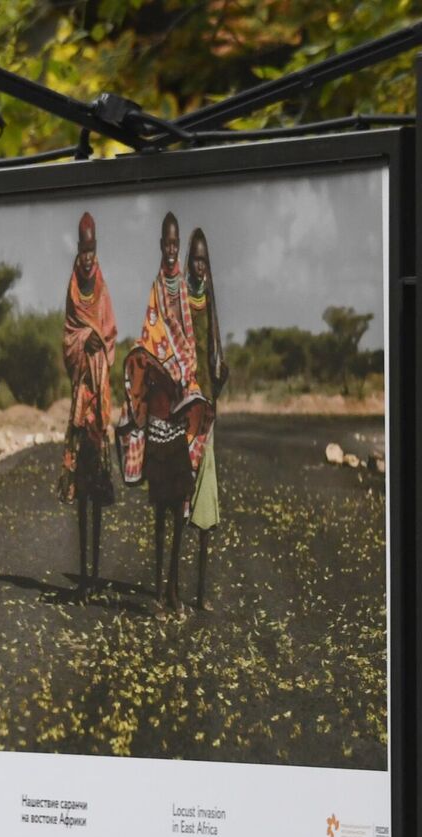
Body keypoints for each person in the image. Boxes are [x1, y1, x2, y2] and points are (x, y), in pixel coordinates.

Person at [124, 212, 206, 611]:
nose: (172, 250)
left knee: (177, 510)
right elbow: (147, 345)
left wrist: (183, 374)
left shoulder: (183, 297)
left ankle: (174, 587)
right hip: (159, 414)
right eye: (167, 244)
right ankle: (158, 590)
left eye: (176, 244)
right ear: (160, 245)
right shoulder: (156, 293)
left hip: (178, 416)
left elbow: (188, 349)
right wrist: (165, 369)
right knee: (159, 511)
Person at [58, 212, 119, 599]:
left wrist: (97, 342)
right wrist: (84, 343)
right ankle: (83, 576)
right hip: (82, 397)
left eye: (92, 251)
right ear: (77, 252)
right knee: (81, 493)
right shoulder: (72, 291)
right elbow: (68, 339)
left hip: (101, 401)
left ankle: (96, 576)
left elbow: (110, 334)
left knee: (98, 489)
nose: (87, 258)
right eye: (83, 251)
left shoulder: (102, 289)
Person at [185, 228, 229, 611]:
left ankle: (199, 594)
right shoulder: (182, 300)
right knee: (179, 498)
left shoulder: (210, 303)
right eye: (195, 259)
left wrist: (218, 383)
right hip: (186, 411)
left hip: (208, 413)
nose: (199, 266)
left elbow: (215, 360)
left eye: (204, 260)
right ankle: (170, 591)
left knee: (204, 501)